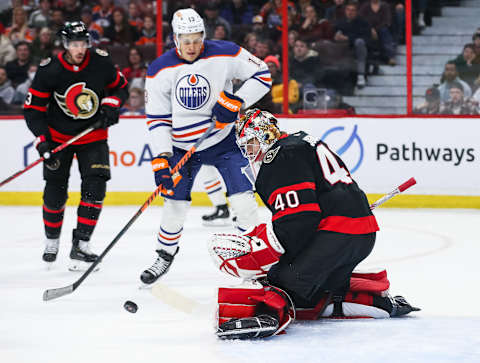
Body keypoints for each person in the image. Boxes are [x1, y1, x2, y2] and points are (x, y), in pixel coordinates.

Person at [207, 108, 420, 339]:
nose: (249, 152)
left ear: (264, 135)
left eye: (250, 143)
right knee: (317, 288)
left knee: (282, 280)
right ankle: (379, 303)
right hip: (359, 233)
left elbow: (299, 223)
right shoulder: (300, 141)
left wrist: (272, 259)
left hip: (338, 235)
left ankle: (269, 316)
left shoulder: (280, 156)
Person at [141, 8, 271, 284]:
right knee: (174, 205)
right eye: (185, 40)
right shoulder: (159, 70)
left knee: (243, 202)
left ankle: (259, 258)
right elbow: (158, 119)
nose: (191, 45)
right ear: (175, 39)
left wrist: (237, 101)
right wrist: (162, 158)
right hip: (180, 148)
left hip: (222, 141)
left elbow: (263, 74)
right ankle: (164, 255)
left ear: (204, 36)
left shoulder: (226, 52)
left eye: (197, 38)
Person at [23, 21, 128, 269]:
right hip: (59, 139)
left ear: (88, 43)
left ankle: (81, 244)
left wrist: (111, 105)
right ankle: (52, 240)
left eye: (82, 44)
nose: (79, 49)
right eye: (73, 44)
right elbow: (33, 110)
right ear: (65, 44)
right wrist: (42, 141)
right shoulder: (50, 70)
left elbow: (120, 88)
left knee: (95, 188)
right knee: (54, 192)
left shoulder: (101, 62)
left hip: (93, 137)